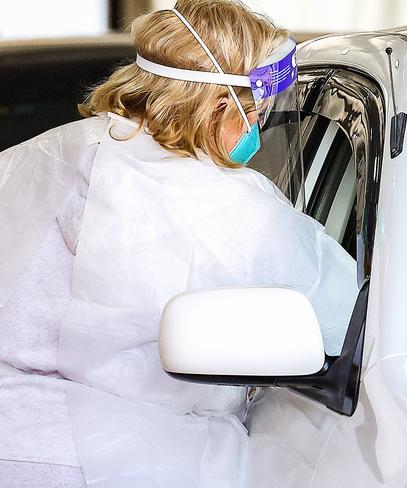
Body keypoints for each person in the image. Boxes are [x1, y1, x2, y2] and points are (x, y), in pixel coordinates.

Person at [0, 2, 357, 487]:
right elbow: (346, 317)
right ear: (217, 106)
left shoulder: (48, 152)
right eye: (253, 111)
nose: (259, 127)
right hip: (104, 464)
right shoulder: (229, 205)